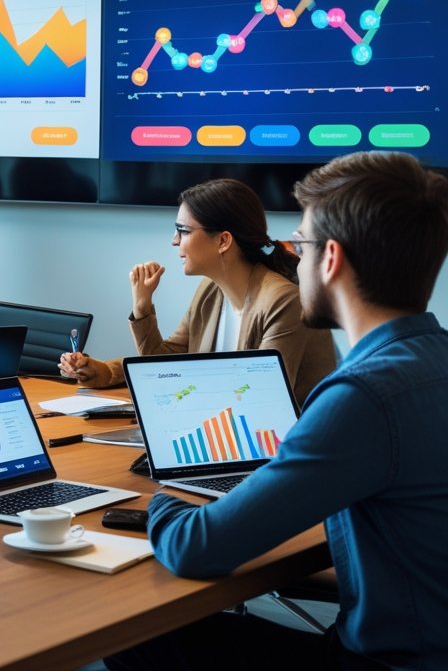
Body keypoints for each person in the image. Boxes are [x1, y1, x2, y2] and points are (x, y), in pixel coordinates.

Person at [105, 151, 448, 670]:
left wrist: (153, 501)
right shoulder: (432, 359)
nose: (288, 256)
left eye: (300, 245)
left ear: (329, 259)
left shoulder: (360, 396)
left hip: (386, 660)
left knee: (139, 634)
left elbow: (196, 549)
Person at [59, 178, 336, 404]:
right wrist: (140, 312)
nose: (174, 240)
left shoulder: (283, 301)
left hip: (276, 453)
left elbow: (258, 397)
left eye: (183, 230)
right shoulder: (211, 292)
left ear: (223, 241)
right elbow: (169, 361)